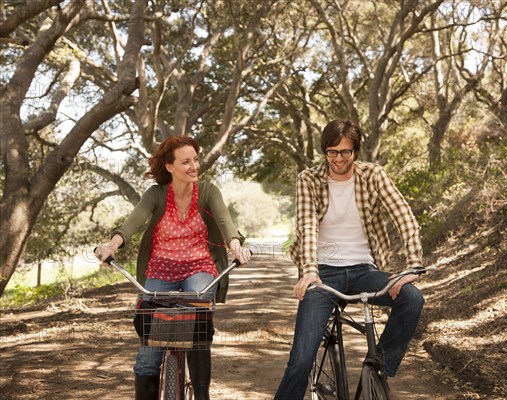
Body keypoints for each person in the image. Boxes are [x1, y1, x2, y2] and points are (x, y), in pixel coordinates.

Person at [274, 120, 425, 399]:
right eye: (332, 152)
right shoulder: (309, 179)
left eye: (345, 152)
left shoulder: (373, 175)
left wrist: (413, 266)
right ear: (324, 151)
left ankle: (378, 365)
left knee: (412, 298)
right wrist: (309, 272)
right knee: (301, 360)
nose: (339, 159)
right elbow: (307, 228)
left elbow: (404, 217)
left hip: (364, 269)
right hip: (322, 272)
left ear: (356, 151)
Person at [95, 136, 251, 400]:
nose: (194, 166)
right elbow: (132, 223)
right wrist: (111, 245)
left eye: (196, 160)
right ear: (170, 167)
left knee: (198, 324)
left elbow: (226, 223)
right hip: (160, 271)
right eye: (186, 161)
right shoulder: (156, 194)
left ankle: (202, 395)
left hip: (199, 267)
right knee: (148, 355)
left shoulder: (208, 191)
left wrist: (235, 245)